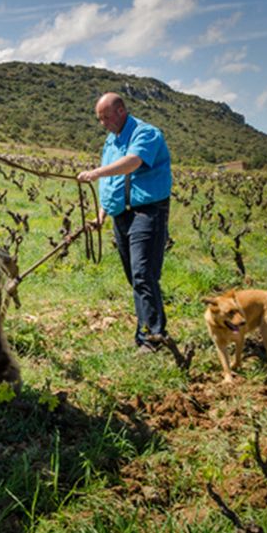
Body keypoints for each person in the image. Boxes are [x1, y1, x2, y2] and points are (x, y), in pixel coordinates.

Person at [76, 93, 173, 352]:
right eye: (100, 119)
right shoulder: (110, 142)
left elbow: (132, 163)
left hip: (147, 212)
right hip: (121, 215)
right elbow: (112, 183)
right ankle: (147, 332)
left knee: (143, 272)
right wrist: (100, 215)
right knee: (135, 276)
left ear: (121, 111)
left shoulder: (146, 133)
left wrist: (95, 173)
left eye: (106, 117)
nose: (103, 124)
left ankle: (153, 336)